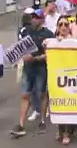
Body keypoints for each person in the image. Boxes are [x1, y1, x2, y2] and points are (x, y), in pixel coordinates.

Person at [11, 9, 55, 137]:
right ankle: (21, 124)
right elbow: (18, 47)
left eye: (37, 17)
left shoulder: (48, 34)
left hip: (41, 68)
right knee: (25, 95)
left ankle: (42, 120)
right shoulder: (25, 31)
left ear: (42, 20)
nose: (34, 19)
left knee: (41, 94)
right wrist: (17, 58)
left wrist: (35, 58)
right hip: (28, 68)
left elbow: (50, 55)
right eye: (33, 17)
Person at [51, 16, 77, 145]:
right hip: (56, 77)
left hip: (71, 77)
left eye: (66, 25)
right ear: (57, 27)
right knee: (58, 103)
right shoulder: (52, 42)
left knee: (69, 104)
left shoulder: (74, 41)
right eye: (60, 24)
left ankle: (68, 132)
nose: (63, 27)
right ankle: (60, 129)